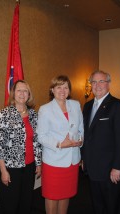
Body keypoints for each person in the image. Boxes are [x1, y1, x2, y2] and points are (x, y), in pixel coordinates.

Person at [81, 70, 120, 214]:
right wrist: (84, 158)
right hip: (92, 168)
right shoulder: (88, 106)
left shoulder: (118, 106)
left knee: (112, 207)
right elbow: (87, 135)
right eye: (94, 82)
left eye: (101, 81)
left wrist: (117, 167)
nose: (97, 85)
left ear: (108, 83)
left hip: (110, 170)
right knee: (97, 206)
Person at [0, 80, 42, 214]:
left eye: (25, 91)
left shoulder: (33, 114)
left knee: (26, 202)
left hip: (29, 166)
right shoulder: (4, 114)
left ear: (29, 94)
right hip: (10, 167)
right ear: (13, 93)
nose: (22, 93)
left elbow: (36, 141)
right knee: (10, 204)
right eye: (19, 90)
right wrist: (3, 170)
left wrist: (38, 164)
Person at [37, 75, 84, 214]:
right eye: (59, 87)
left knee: (66, 194)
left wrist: (80, 141)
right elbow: (41, 136)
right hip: (54, 162)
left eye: (66, 87)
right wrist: (60, 144)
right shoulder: (45, 109)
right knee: (52, 196)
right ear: (52, 90)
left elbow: (81, 128)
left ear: (69, 90)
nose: (62, 90)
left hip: (72, 161)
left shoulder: (75, 105)